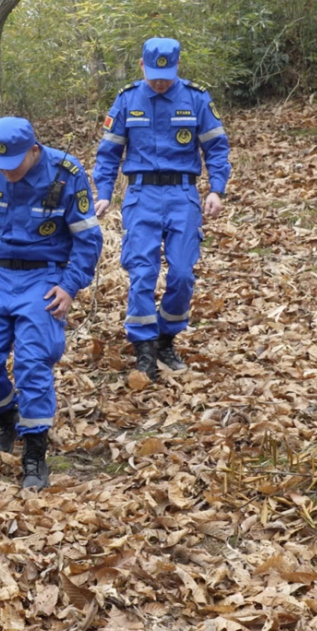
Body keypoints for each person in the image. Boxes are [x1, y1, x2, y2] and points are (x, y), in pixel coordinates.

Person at [0, 117, 103, 489]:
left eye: (14, 165)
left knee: (32, 361)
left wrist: (70, 286)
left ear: (34, 150)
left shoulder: (66, 173)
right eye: (0, 165)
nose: (7, 173)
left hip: (45, 276)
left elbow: (88, 239)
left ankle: (35, 452)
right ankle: (7, 418)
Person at [92, 37, 231, 381]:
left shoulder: (196, 98)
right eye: (153, 74)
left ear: (177, 66)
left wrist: (217, 190)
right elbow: (109, 152)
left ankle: (167, 338)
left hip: (182, 195)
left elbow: (216, 147)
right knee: (142, 274)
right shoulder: (127, 100)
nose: (159, 81)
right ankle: (144, 349)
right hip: (142, 195)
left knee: (182, 273)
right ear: (142, 66)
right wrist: (105, 192)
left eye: (166, 75)